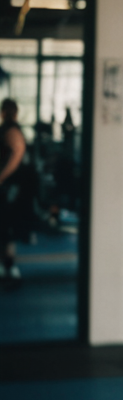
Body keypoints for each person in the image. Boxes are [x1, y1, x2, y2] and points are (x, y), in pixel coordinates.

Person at [1, 99, 28, 288]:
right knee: (4, 227)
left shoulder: (11, 130)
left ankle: (10, 268)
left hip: (10, 187)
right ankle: (7, 267)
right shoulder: (9, 128)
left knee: (6, 226)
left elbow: (17, 152)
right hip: (10, 185)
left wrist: (1, 176)